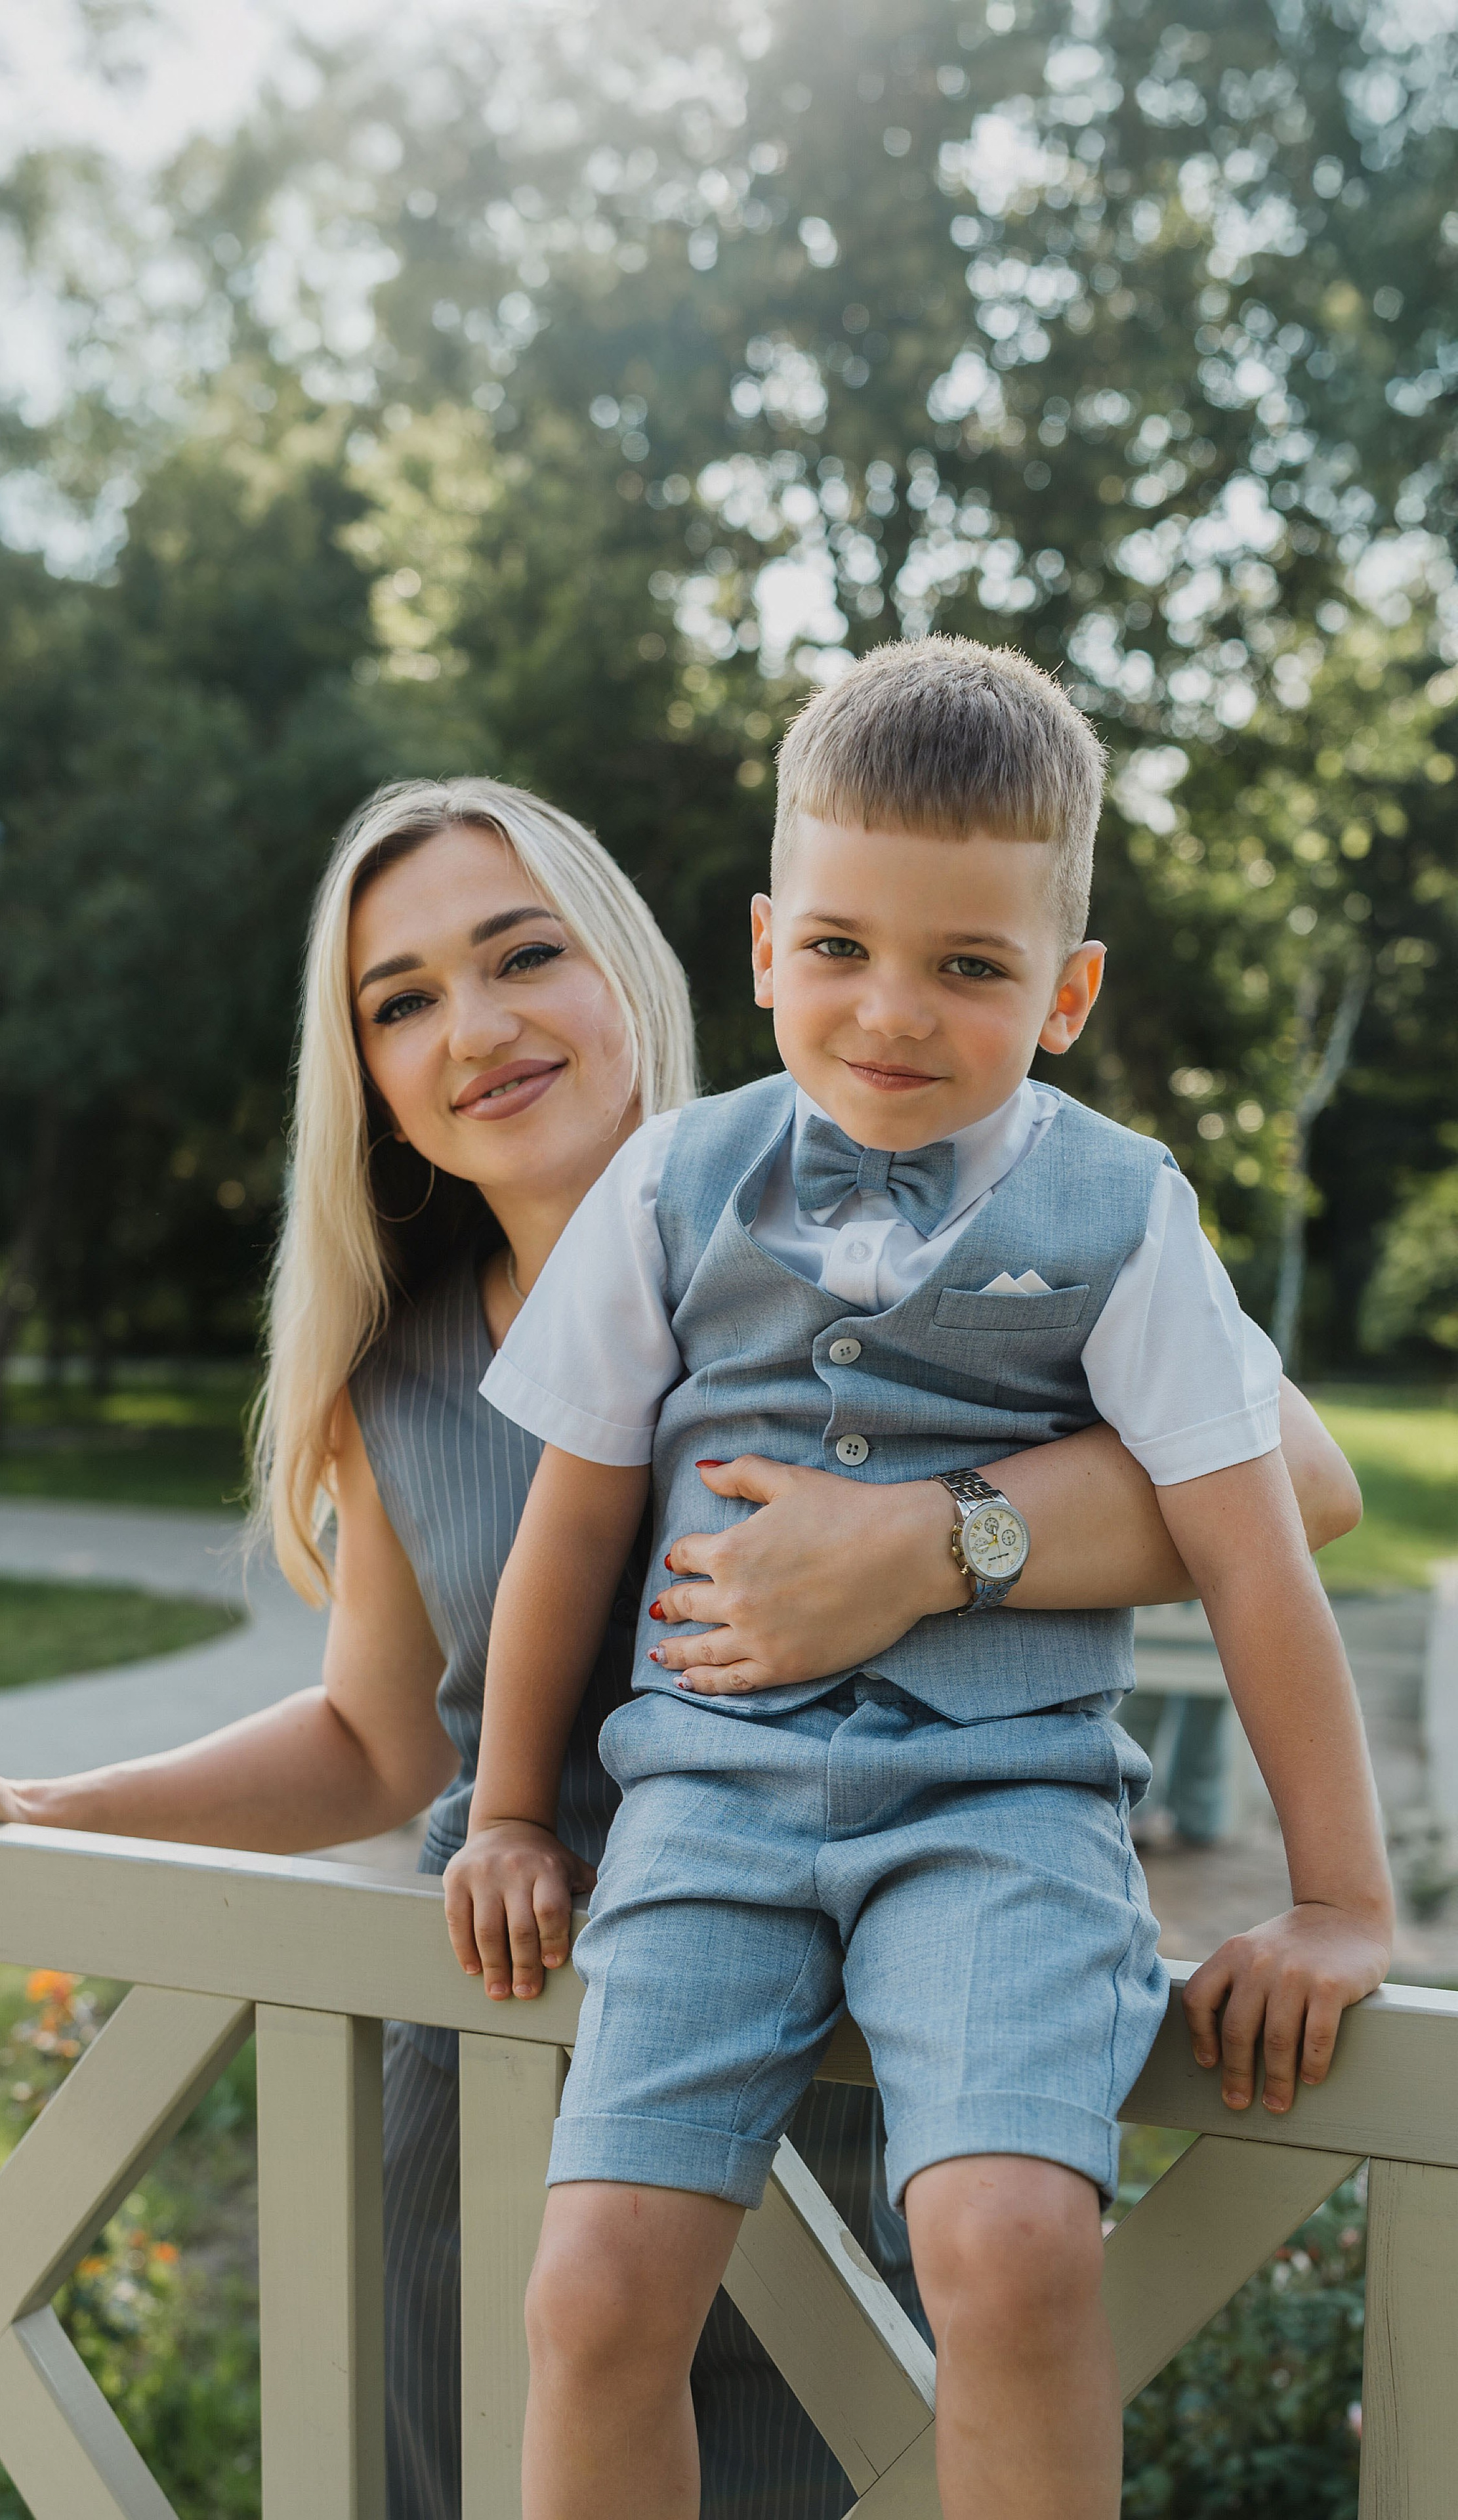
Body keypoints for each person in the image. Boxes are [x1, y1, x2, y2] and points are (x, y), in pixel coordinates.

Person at [0, 776, 1360, 2520]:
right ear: (365, 1071)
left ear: (635, 969)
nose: (474, 1028)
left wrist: (924, 1542)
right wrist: (36, 1800)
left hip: (865, 2112)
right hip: (514, 2109)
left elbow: (1304, 1485)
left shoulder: (904, 1205)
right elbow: (379, 1747)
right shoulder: (402, 1373)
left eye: (522, 955)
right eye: (400, 999)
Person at [446, 648, 1394, 2520]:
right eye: (840, 949)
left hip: (1002, 1810)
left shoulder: (1122, 1211)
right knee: (594, 2286)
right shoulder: (668, 1185)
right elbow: (568, 1524)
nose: (891, 1014)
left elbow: (1255, 1545)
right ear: (763, 944)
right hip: (706, 1808)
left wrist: (1343, 1900)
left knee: (1015, 2249)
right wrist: (504, 1812)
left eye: (970, 966)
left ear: (1068, 992)